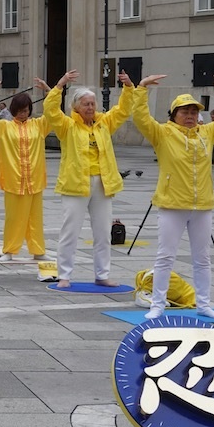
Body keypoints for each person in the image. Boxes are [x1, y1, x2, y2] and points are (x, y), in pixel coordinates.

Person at [131, 73, 214, 319]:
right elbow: (140, 118)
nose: (190, 116)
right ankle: (157, 304)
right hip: (172, 206)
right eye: (184, 112)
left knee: (202, 258)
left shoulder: (207, 133)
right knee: (165, 256)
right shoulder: (163, 133)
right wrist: (141, 89)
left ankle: (204, 304)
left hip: (202, 206)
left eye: (193, 112)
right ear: (173, 115)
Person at [41, 70, 134, 289]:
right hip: (75, 185)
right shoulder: (67, 126)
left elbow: (122, 111)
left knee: (103, 232)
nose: (91, 108)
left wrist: (129, 88)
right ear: (76, 107)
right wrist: (60, 84)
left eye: (92, 104)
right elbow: (50, 110)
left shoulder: (104, 123)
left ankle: (102, 274)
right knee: (70, 232)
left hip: (102, 183)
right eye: (86, 104)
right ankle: (64, 275)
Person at [0, 81, 53, 262]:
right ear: (14, 110)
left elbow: (53, 115)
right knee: (13, 218)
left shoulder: (38, 125)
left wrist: (50, 92)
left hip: (34, 179)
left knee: (35, 218)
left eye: (27, 110)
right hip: (14, 180)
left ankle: (38, 250)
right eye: (21, 110)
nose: (24, 114)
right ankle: (10, 250)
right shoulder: (4, 127)